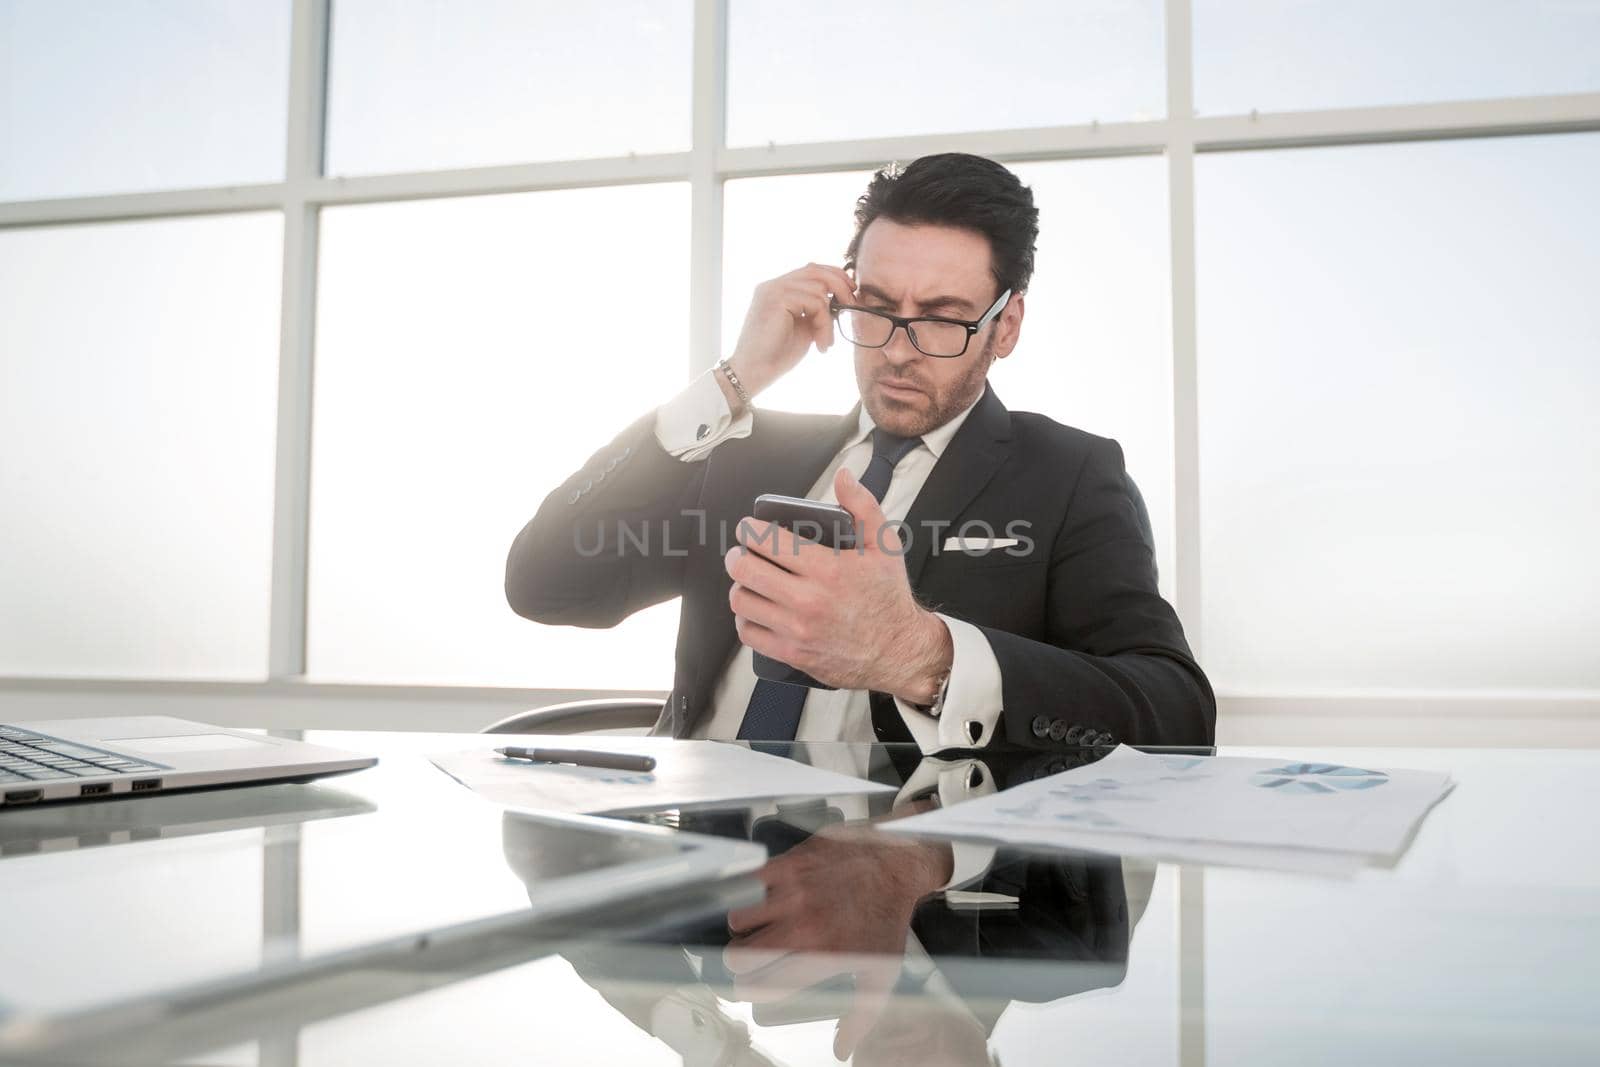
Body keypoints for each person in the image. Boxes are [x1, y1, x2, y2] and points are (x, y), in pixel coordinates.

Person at [506, 152, 1213, 751]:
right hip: (688, 856)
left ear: (1007, 325)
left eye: (941, 319)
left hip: (903, 876)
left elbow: (1178, 715)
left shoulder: (1069, 474)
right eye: (876, 307)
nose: (899, 351)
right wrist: (732, 381)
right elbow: (544, 583)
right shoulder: (745, 451)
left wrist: (921, 656)